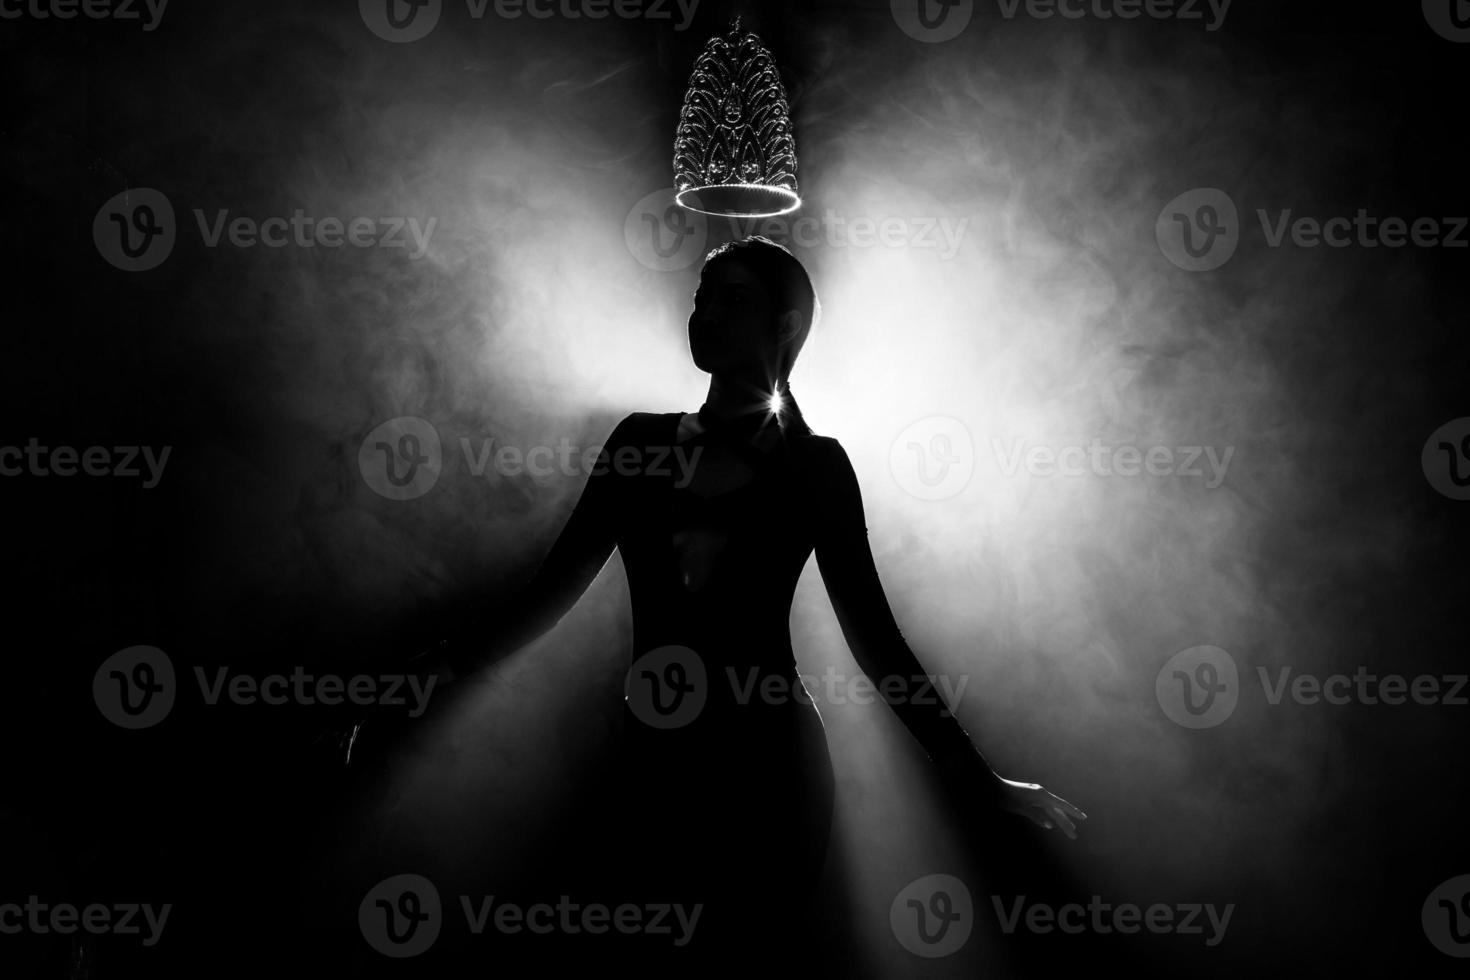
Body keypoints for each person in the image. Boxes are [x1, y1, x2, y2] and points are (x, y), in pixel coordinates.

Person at [354, 235, 1084, 970]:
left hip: (771, 770)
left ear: (786, 325)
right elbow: (546, 596)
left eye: (734, 298)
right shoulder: (636, 445)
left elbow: (876, 640)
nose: (706, 312)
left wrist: (975, 773)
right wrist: (419, 682)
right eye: (703, 297)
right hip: (651, 764)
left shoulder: (817, 466)